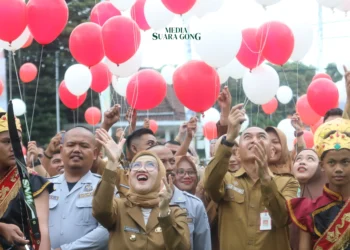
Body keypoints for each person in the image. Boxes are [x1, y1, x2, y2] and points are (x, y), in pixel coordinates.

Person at [204, 104, 299, 250]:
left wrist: (266, 178)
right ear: (237, 152)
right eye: (247, 137)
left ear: (272, 152)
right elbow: (210, 185)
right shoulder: (227, 179)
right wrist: (229, 138)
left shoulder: (288, 182)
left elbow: (282, 218)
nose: (254, 141)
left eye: (261, 137)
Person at [93, 128, 191, 250]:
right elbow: (100, 211)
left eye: (150, 165)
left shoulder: (176, 212)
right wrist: (112, 163)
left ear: (160, 174)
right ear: (129, 175)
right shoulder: (119, 208)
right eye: (137, 165)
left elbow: (181, 248)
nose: (142, 169)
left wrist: (164, 212)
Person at [287, 118, 350, 250]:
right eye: (331, 162)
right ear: (322, 166)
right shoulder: (309, 209)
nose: (338, 168)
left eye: (345, 162)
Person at [48, 126, 109, 250]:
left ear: (95, 154)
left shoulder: (104, 187)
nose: (76, 150)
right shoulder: (46, 186)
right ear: (61, 150)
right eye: (70, 145)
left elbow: (107, 230)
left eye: (84, 146)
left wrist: (67, 249)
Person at [0, 109, 53, 250]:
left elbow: (43, 233)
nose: (14, 147)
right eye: (6, 141)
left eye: (17, 141)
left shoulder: (31, 180)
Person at [148, 144, 211, 250]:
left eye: (172, 161)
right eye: (162, 162)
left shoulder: (194, 205)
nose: (169, 167)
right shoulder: (133, 202)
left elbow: (202, 245)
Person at [289, 149, 327, 250]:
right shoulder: (286, 191)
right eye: (298, 159)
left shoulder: (329, 197)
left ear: (321, 166)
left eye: (310, 159)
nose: (302, 162)